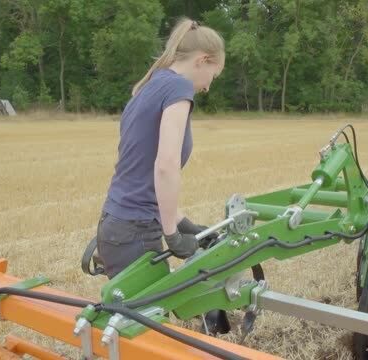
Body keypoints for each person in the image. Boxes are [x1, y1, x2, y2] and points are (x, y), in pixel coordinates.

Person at [96, 18, 230, 333]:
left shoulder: (150, 86)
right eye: (214, 74)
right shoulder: (178, 87)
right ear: (202, 61)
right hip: (136, 234)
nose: (209, 85)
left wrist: (188, 226)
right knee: (147, 335)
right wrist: (171, 234)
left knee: (129, 330)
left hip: (116, 227)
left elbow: (140, 175)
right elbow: (165, 165)